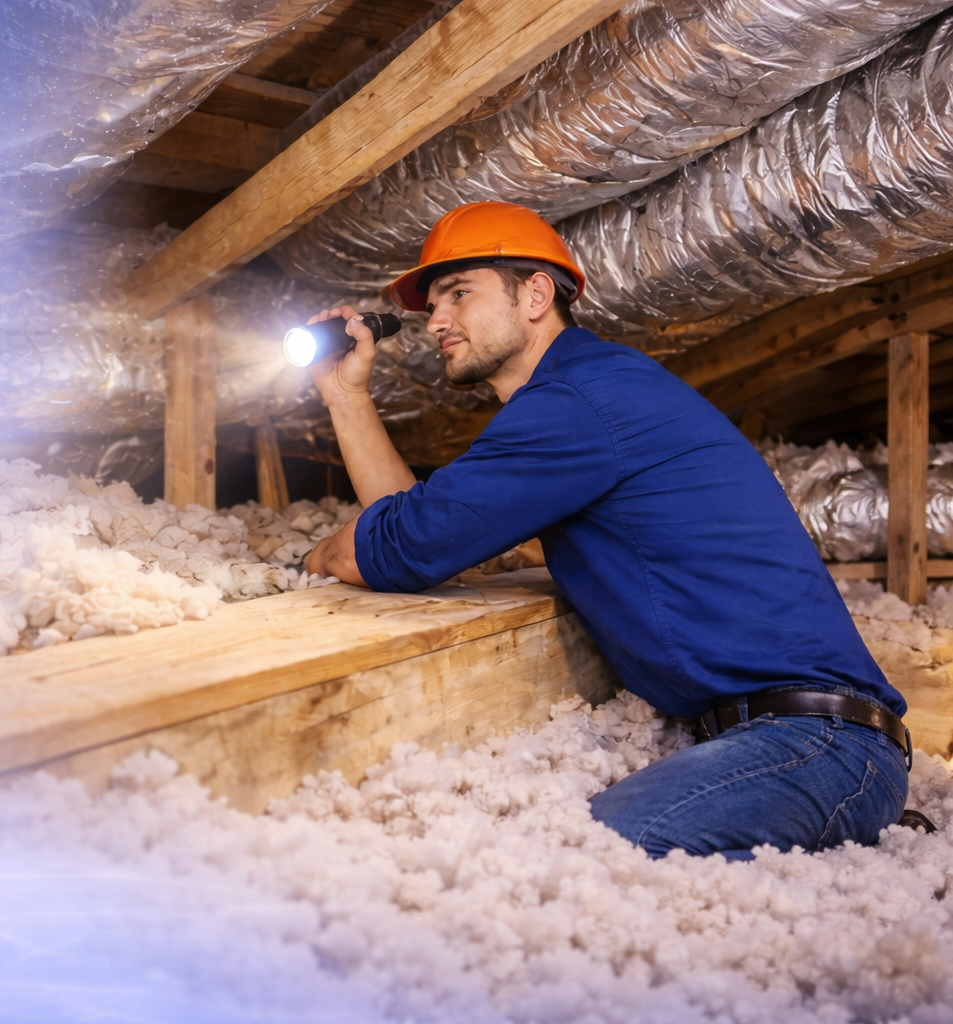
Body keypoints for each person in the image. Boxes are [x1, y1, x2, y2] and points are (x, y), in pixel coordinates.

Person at [303, 201, 911, 861]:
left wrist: (325, 552)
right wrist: (345, 396)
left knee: (580, 863)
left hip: (818, 748)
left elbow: (399, 547)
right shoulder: (581, 390)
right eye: (432, 306)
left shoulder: (577, 404)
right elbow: (417, 528)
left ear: (535, 294)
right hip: (789, 745)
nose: (437, 321)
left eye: (457, 293)